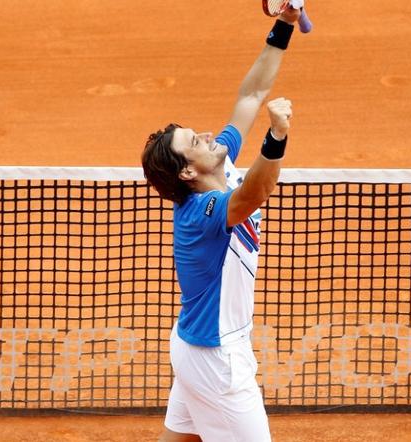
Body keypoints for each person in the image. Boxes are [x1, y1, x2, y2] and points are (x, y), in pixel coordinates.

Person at [141, 7, 302, 442]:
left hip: (195, 346)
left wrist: (284, 22)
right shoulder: (202, 213)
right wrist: (277, 137)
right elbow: (253, 193)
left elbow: (252, 94)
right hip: (216, 359)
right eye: (196, 142)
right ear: (187, 173)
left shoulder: (220, 162)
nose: (209, 136)